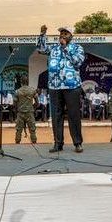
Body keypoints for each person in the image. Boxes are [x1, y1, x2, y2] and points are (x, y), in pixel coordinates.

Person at [36, 24, 85, 153]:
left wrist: (66, 49)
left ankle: (77, 143)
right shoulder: (53, 48)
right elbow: (40, 49)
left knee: (73, 115)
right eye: (61, 33)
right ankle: (58, 143)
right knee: (56, 116)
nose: (62, 35)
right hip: (55, 86)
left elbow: (78, 62)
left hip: (72, 86)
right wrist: (42, 34)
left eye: (65, 33)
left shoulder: (77, 48)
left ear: (71, 36)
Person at [13, 74, 38, 144]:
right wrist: (33, 109)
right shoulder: (33, 90)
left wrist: (17, 110)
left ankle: (17, 144)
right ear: (28, 82)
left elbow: (14, 104)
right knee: (32, 130)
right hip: (30, 112)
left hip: (20, 113)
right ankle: (34, 143)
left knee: (18, 130)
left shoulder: (17, 91)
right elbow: (37, 103)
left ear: (21, 82)